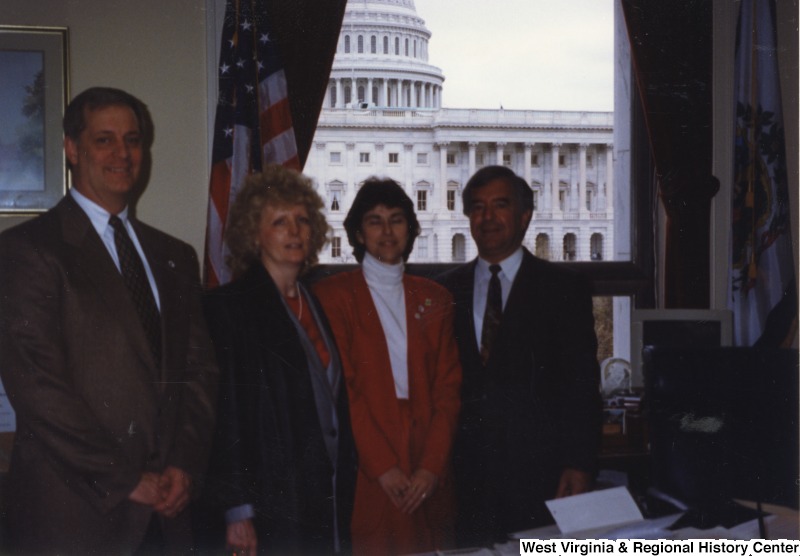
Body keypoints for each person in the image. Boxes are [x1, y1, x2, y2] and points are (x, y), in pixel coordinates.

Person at [0, 87, 219, 553]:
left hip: (167, 513)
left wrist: (184, 464)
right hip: (76, 514)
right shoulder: (26, 251)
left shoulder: (175, 256)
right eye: (104, 140)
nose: (123, 153)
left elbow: (199, 375)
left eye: (133, 139)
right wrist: (122, 478)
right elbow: (37, 387)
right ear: (72, 150)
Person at [438, 165, 602, 547]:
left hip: (539, 476)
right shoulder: (445, 291)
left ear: (525, 215)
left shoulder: (563, 288)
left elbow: (580, 385)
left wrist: (579, 463)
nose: (487, 217)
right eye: (477, 207)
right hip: (462, 479)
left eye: (500, 205)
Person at [197, 165, 356, 554]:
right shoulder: (230, 307)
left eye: (302, 220)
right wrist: (237, 511)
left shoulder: (313, 300)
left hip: (324, 492)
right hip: (267, 499)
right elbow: (224, 416)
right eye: (280, 221)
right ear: (255, 233)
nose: (295, 231)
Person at [313, 178, 462, 555]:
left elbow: (448, 391)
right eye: (374, 220)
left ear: (410, 229)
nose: (386, 230)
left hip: (427, 462)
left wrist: (430, 467)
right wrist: (383, 466)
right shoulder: (331, 297)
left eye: (396, 219)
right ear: (358, 233)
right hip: (370, 464)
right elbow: (345, 392)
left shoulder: (435, 298)